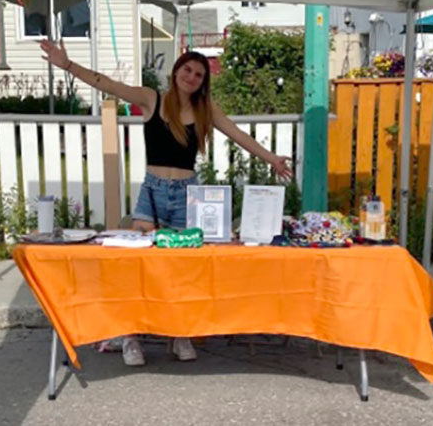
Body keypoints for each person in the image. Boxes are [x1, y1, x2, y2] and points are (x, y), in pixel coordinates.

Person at [40, 39, 292, 366]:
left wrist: (272, 159)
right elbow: (108, 84)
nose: (192, 77)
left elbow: (238, 135)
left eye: (199, 74)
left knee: (182, 270)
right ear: (176, 72)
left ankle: (179, 333)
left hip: (188, 196)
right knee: (137, 267)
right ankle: (130, 336)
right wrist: (67, 65)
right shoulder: (151, 99)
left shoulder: (206, 110)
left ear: (204, 81)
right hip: (153, 192)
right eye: (187, 69)